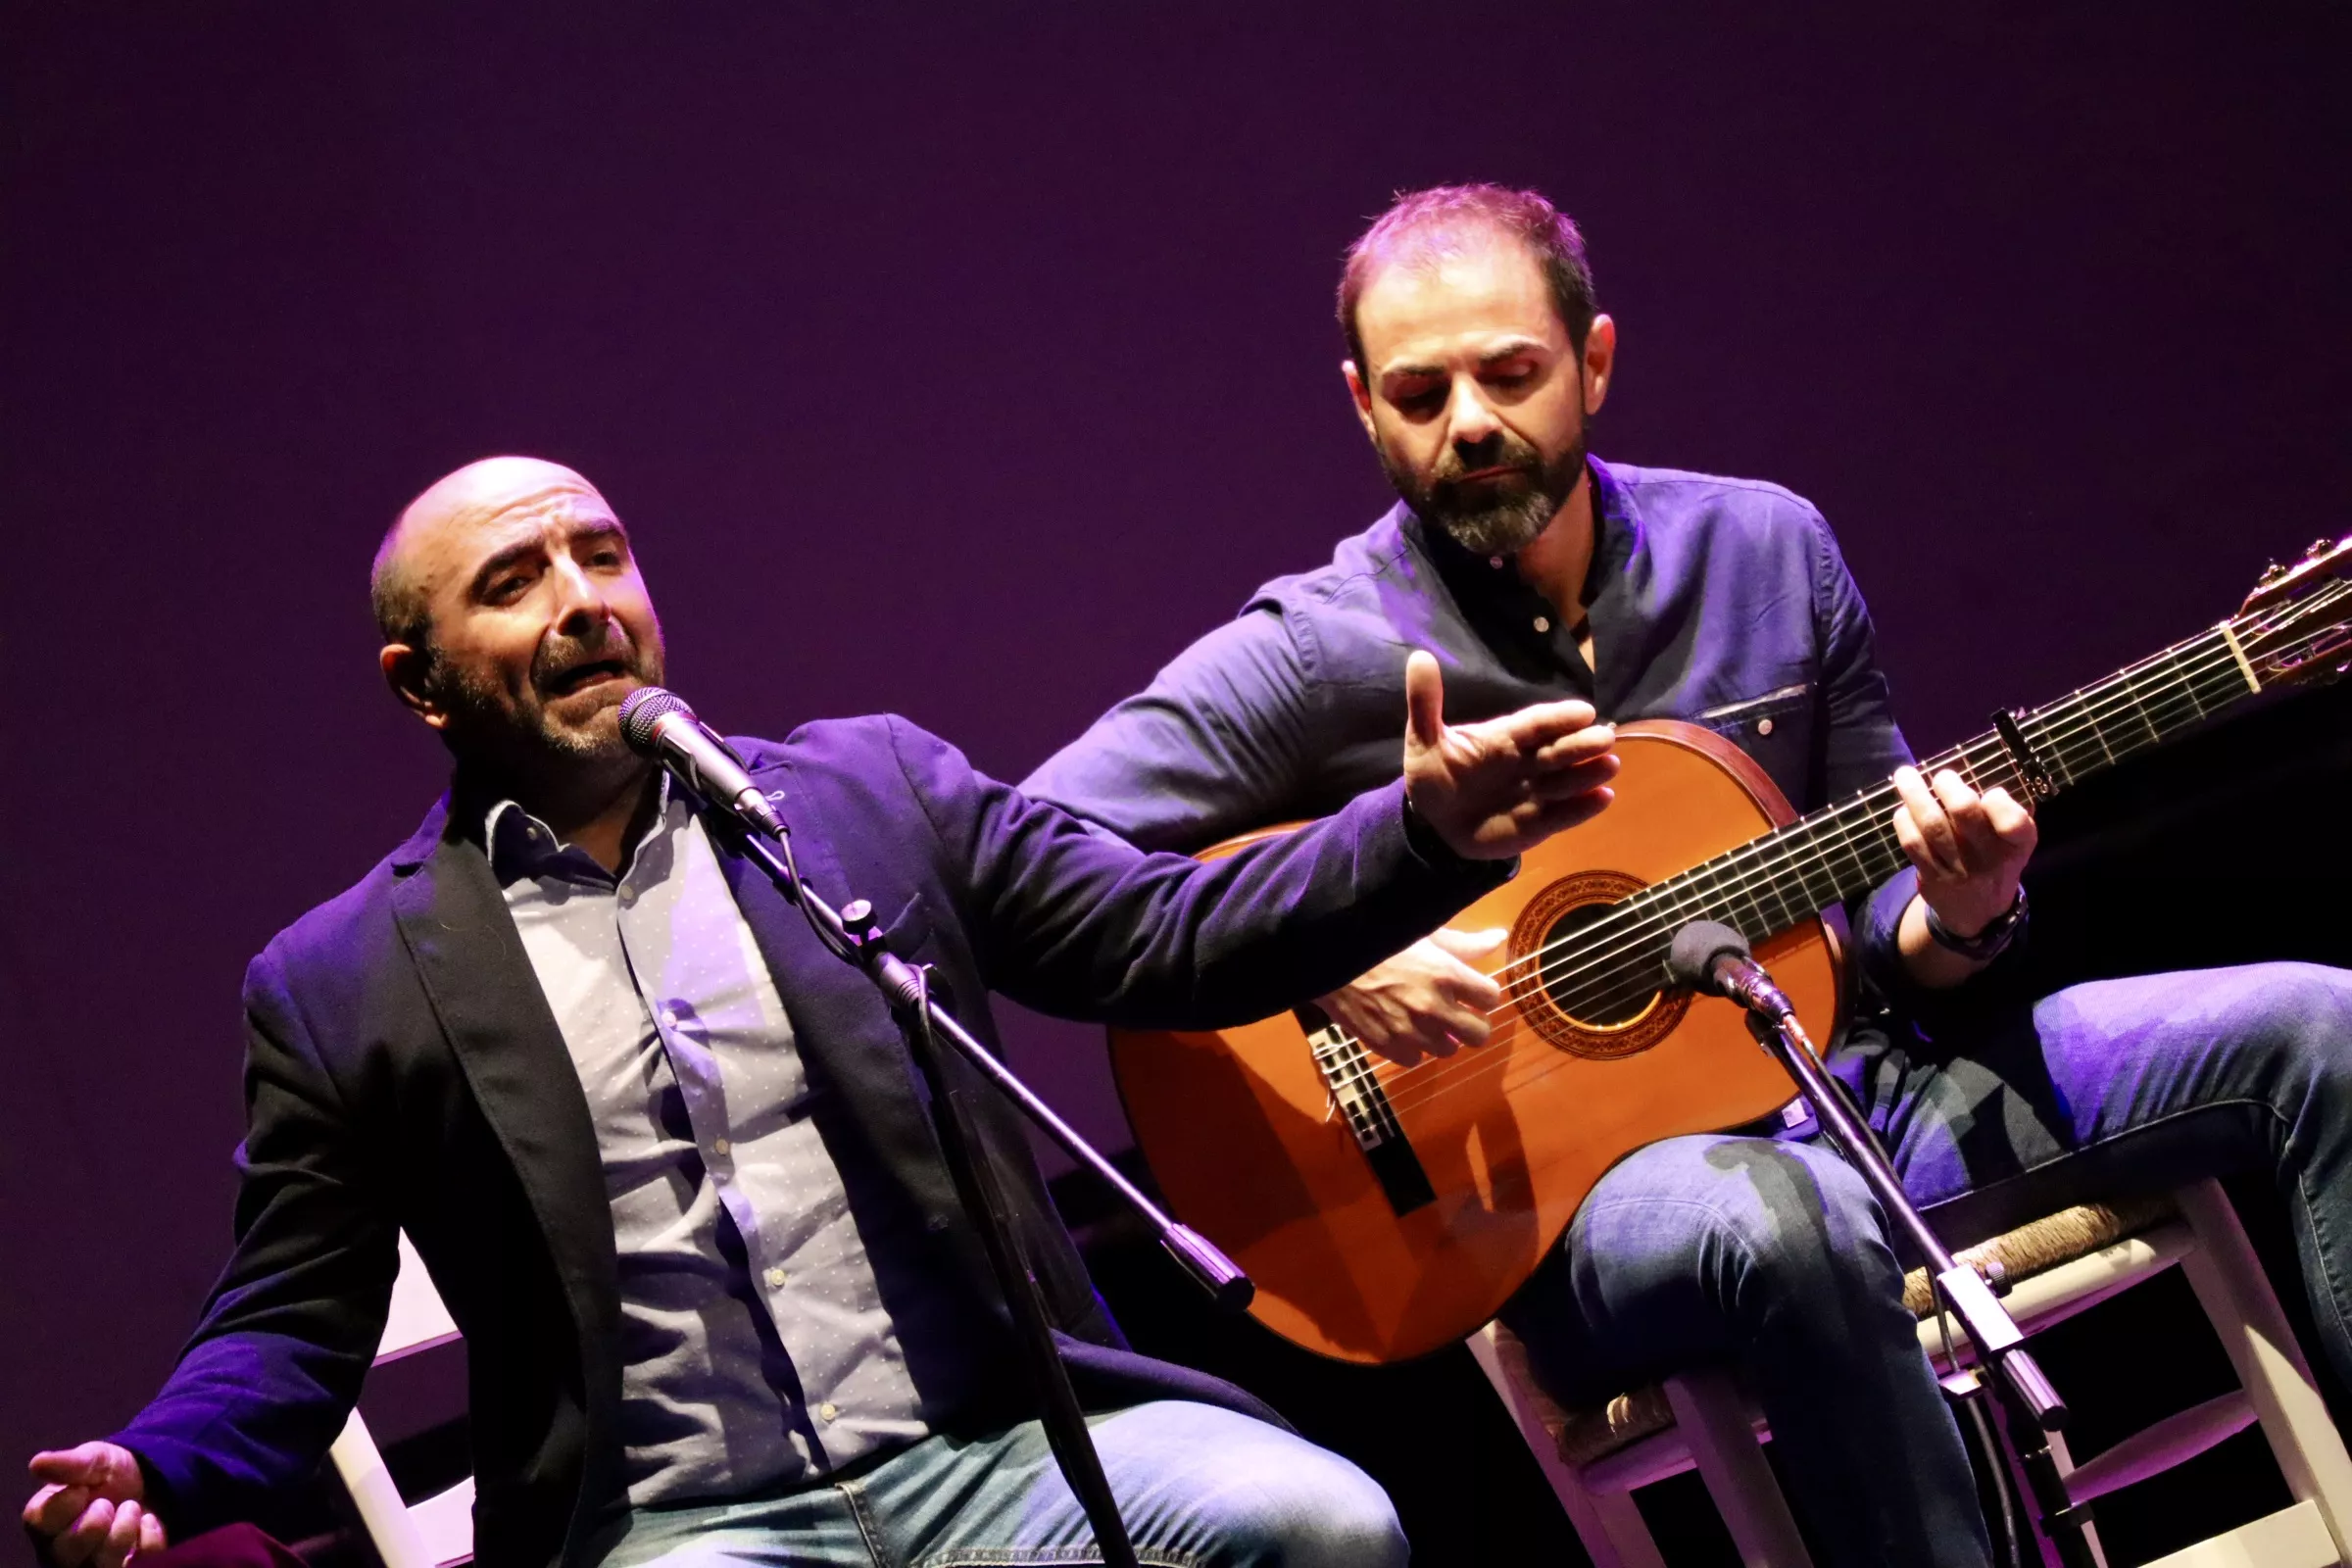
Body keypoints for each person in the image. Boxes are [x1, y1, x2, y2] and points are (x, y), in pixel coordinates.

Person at [1020, 184, 2352, 1565]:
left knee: (2319, 1026)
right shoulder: (1312, 656)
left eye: (1511, 373)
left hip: (1878, 1093)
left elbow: (1889, 923)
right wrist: (1322, 950)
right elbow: (1035, 855)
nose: (1468, 421)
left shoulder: (1767, 550)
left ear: (1594, 362)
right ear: (1364, 406)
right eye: (1420, 394)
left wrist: (1964, 911)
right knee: (1798, 1220)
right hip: (1601, 1219)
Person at [22, 456, 1623, 1568]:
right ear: (421, 682)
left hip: (999, 1452)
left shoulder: (864, 799)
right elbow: (291, 1321)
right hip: (677, 1530)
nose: (584, 599)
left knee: (1324, 1525)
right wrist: (155, 1464)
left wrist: (1416, 834)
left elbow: (1163, 933)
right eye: (515, 582)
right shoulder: (340, 982)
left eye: (601, 554)